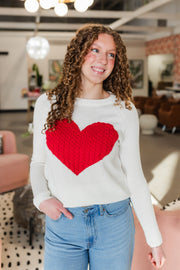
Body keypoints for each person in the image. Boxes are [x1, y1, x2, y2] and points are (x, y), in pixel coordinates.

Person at [30, 24, 166, 270]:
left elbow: (135, 177)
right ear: (79, 53)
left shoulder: (123, 110)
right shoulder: (47, 103)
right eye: (95, 50)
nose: (103, 60)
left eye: (111, 54)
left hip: (113, 222)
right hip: (63, 222)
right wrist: (42, 199)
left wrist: (154, 240)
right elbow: (38, 162)